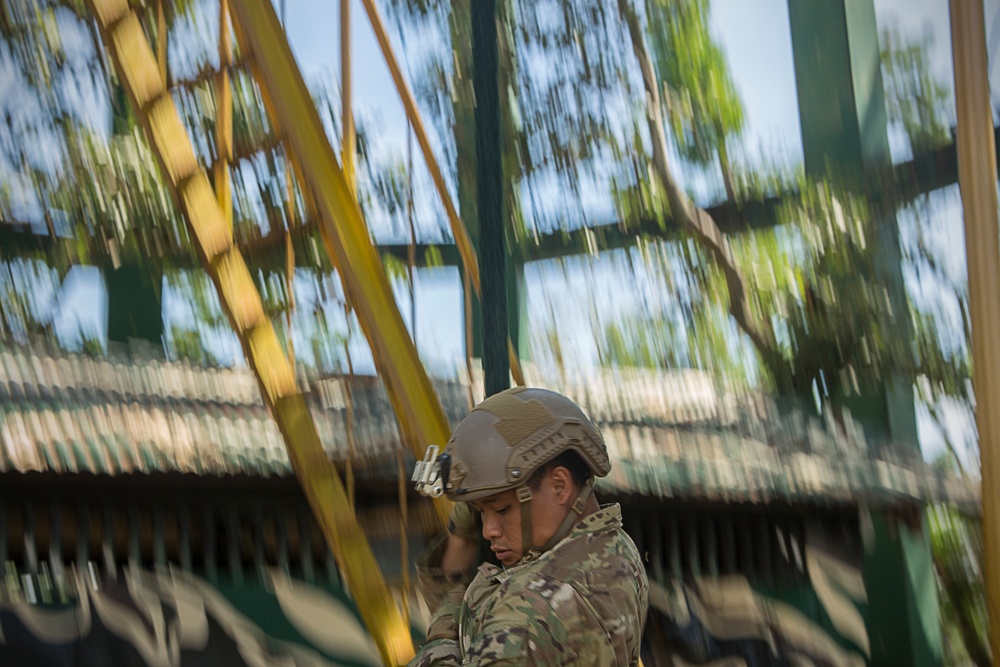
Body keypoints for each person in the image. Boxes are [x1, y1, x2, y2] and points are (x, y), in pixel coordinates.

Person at [409, 387, 648, 666]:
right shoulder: (614, 546)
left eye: (502, 509)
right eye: (480, 511)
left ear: (560, 486)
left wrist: (442, 635)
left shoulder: (526, 615)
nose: (488, 531)